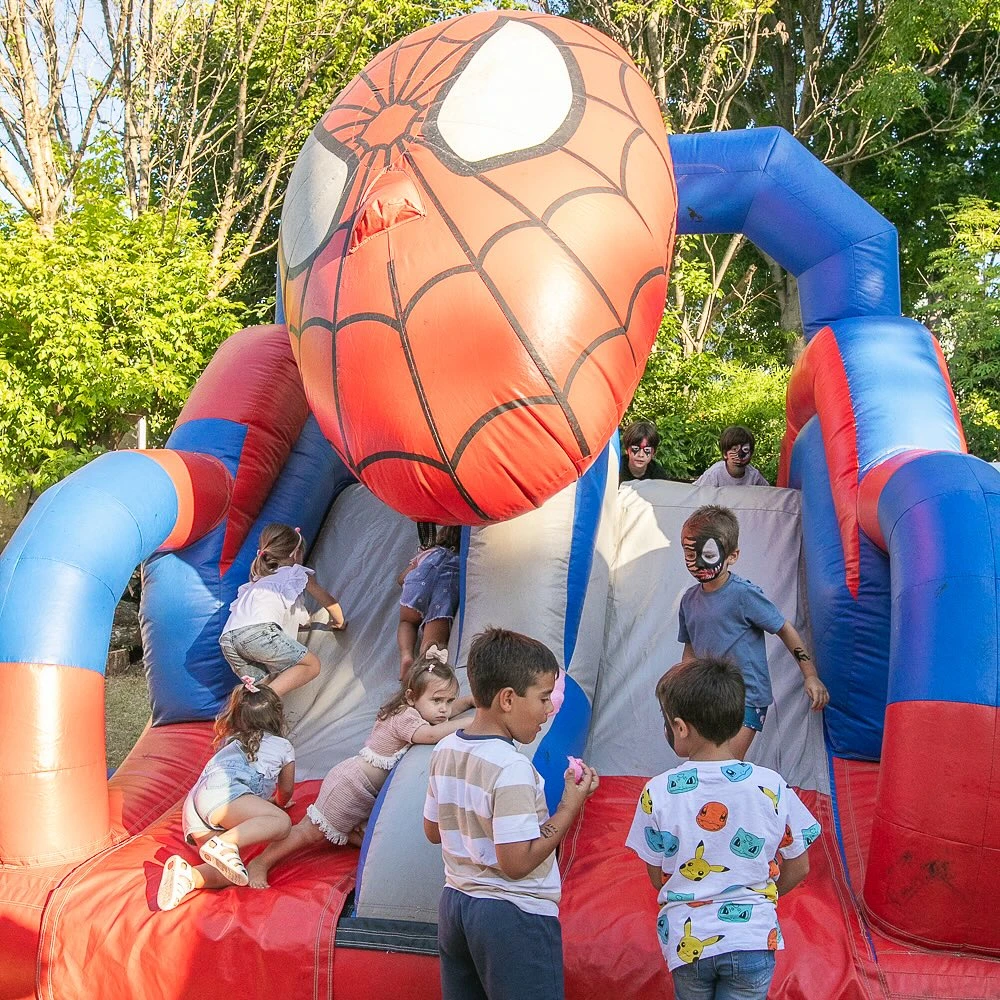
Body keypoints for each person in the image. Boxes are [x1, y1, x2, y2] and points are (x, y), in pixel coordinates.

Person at [626, 657, 821, 1000]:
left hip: (689, 944)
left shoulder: (656, 791)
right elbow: (800, 866)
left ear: (680, 728)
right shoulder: (772, 786)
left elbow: (658, 877)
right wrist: (760, 896)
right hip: (753, 937)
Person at [423, 627, 599, 1000]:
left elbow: (433, 830)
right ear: (507, 699)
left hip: (456, 908)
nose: (549, 710)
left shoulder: (445, 749)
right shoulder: (511, 768)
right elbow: (516, 862)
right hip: (512, 917)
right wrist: (570, 805)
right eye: (543, 698)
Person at [244, 647, 474, 888]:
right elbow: (431, 734)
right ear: (410, 697)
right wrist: (471, 721)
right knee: (308, 832)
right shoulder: (405, 718)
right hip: (349, 787)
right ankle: (260, 862)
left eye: (448, 701)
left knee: (352, 833)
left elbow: (440, 715)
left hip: (359, 788)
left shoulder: (417, 708)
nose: (444, 709)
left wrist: (465, 702)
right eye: (438, 700)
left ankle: (350, 830)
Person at [678, 505, 829, 760]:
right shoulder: (688, 600)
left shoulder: (743, 595)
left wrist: (810, 675)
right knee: (704, 763)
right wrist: (683, 686)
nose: (696, 561)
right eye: (688, 552)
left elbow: (785, 629)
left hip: (746, 697)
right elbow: (691, 648)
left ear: (732, 555)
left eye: (707, 553)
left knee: (725, 765)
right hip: (709, 695)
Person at [156, 678, 296, 910]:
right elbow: (286, 790)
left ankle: (187, 877)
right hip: (225, 799)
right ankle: (224, 843)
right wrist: (278, 803)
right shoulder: (283, 746)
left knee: (232, 872)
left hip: (195, 808)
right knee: (281, 823)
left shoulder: (231, 742)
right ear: (278, 716)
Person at [219, 522, 346, 699]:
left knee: (259, 689)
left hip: (228, 640)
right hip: (258, 632)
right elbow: (327, 600)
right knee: (311, 666)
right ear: (296, 554)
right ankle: (267, 699)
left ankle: (252, 716)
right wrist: (339, 621)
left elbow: (301, 619)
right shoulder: (294, 573)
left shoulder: (257, 583)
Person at [398, 524, 461, 679]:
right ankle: (425, 666)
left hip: (418, 584)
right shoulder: (463, 561)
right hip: (444, 591)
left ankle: (406, 655)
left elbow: (401, 579)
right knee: (433, 645)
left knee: (407, 622)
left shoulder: (428, 552)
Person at [695, 426, 769, 487]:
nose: (740, 454)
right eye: (734, 449)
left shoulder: (754, 476)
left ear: (751, 453)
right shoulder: (714, 474)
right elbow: (697, 493)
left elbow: (767, 494)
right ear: (725, 453)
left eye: (745, 449)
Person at [620, 419, 670, 484]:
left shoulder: (658, 475)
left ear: (653, 452)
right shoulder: (616, 469)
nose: (641, 455)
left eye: (647, 450)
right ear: (627, 449)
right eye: (635, 448)